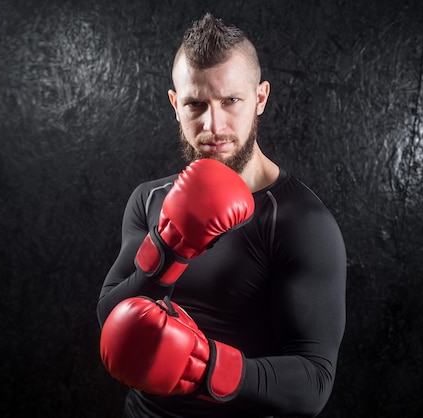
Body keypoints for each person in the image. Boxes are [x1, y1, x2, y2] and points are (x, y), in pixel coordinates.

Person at [96, 13, 346, 418]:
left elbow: (314, 382)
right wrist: (169, 249)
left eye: (231, 100)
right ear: (176, 105)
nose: (214, 125)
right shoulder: (150, 199)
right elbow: (111, 316)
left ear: (260, 98)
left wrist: (203, 366)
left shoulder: (301, 222)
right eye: (196, 104)